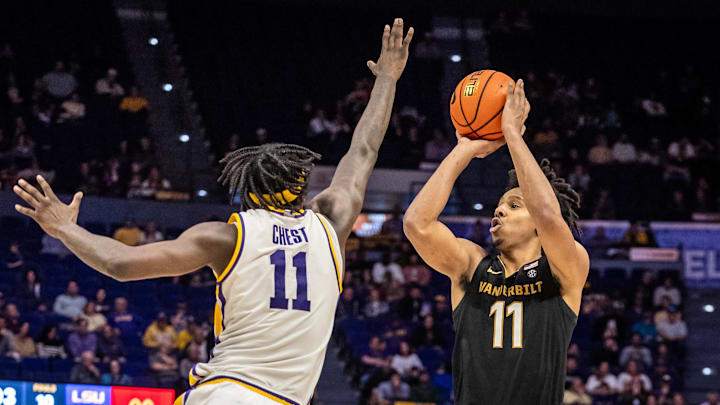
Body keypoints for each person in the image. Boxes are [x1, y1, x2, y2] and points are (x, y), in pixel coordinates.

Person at [13, 18, 414, 405]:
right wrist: (387, 80)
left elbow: (121, 264)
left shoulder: (227, 236)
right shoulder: (331, 221)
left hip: (226, 393)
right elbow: (363, 150)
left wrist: (65, 228)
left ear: (248, 192)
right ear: (301, 187)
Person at [404, 79, 589, 405]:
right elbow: (416, 224)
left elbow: (547, 212)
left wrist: (513, 135)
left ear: (536, 226)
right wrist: (464, 149)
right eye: (499, 206)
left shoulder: (565, 269)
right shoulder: (472, 264)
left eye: (514, 205)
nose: (500, 210)